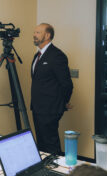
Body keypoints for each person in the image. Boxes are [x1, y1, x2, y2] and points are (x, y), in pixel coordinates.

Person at [31, 23, 73, 154]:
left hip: (50, 109)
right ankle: (44, 171)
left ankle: (56, 171)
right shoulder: (37, 56)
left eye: (38, 32)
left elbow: (67, 84)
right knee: (41, 144)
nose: (34, 35)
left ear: (47, 35)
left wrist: (63, 103)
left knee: (50, 144)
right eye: (35, 32)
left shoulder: (57, 55)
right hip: (37, 107)